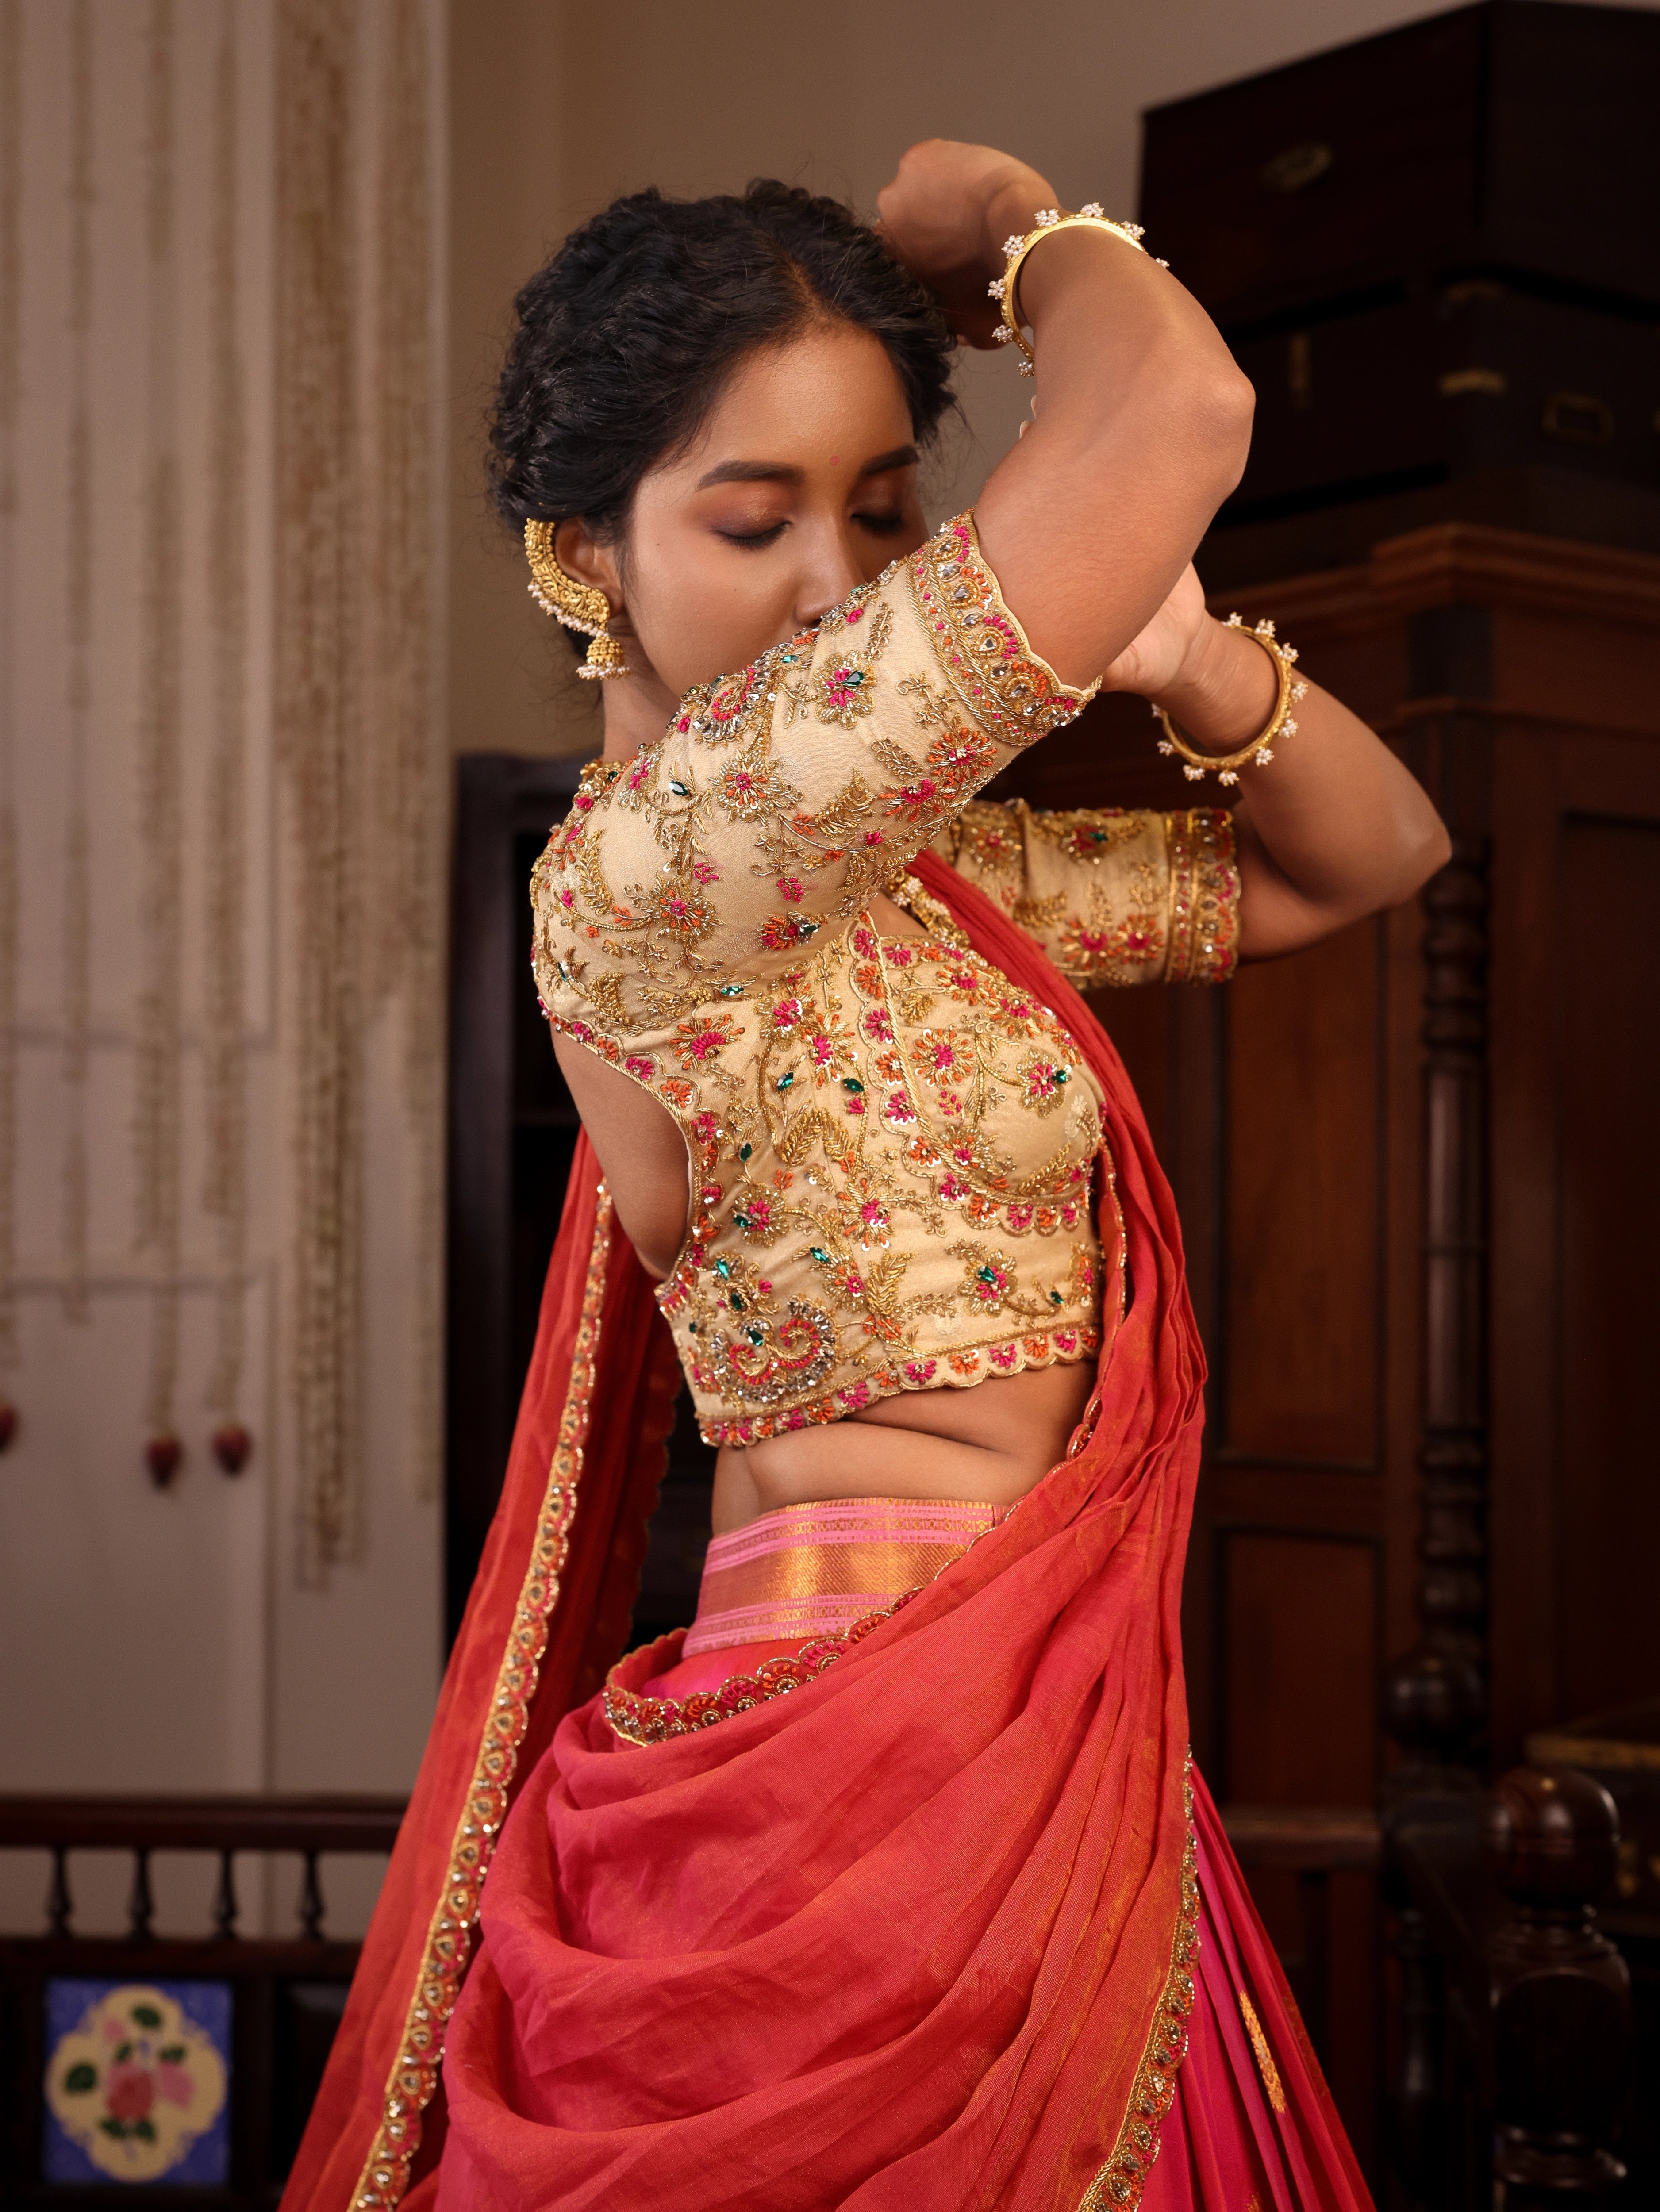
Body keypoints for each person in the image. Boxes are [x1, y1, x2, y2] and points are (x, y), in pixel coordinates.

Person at [285, 143, 1449, 2212]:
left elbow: (1354, 859)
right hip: (832, 1772)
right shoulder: (655, 875)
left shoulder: (920, 882)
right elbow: (1174, 411)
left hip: (1050, 1729)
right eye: (752, 519)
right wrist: (1013, 226)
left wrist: (1188, 663)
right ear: (585, 558)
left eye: (888, 513)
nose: (838, 584)